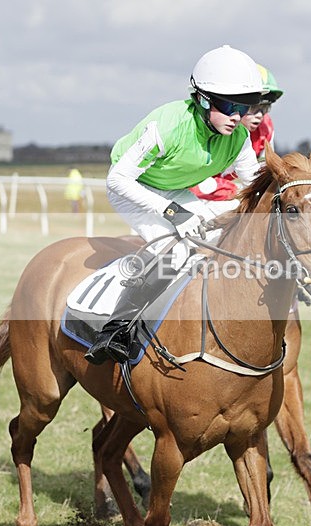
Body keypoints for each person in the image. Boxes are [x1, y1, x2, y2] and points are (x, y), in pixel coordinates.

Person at [85, 45, 263, 365]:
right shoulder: (167, 125)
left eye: (244, 107)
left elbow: (256, 186)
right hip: (132, 188)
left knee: (218, 239)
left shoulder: (237, 138)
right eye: (228, 106)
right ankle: (115, 330)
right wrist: (171, 212)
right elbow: (118, 180)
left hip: (175, 190)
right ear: (204, 99)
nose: (237, 116)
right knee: (176, 250)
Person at [189, 64, 284, 202]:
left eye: (264, 108)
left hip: (236, 190)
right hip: (199, 191)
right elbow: (196, 182)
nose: (259, 115)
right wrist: (234, 190)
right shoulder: (212, 125)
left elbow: (263, 174)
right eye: (253, 108)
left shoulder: (266, 127)